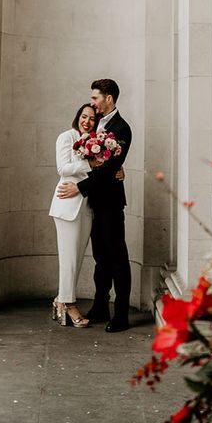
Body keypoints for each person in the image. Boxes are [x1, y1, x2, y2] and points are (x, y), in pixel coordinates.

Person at [57, 79, 132, 332]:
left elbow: (110, 166)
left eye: (96, 98)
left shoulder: (122, 128)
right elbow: (90, 160)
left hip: (110, 203)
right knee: (101, 259)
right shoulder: (94, 126)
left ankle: (121, 314)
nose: (92, 102)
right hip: (92, 205)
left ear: (108, 98)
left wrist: (80, 187)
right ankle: (101, 305)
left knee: (118, 257)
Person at [48, 104, 98, 327]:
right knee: (68, 259)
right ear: (78, 116)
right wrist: (89, 164)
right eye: (84, 116)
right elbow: (62, 168)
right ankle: (69, 305)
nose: (87, 121)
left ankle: (60, 300)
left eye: (92, 119)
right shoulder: (66, 137)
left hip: (87, 205)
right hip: (67, 203)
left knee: (76, 259)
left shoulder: (96, 142)